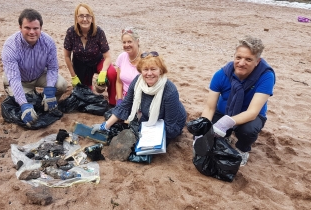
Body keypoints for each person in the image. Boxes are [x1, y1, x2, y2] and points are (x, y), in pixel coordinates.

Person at [200, 35, 275, 166]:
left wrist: (225, 123)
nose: (241, 63)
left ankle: (242, 149)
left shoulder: (266, 76)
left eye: (248, 59)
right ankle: (226, 135)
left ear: (257, 61)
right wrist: (202, 130)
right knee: (208, 130)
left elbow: (252, 112)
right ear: (234, 56)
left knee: (248, 130)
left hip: (251, 117)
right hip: (224, 111)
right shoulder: (221, 74)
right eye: (238, 57)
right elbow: (210, 107)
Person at [92, 51, 187, 145]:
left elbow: (170, 125)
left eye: (153, 69)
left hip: (171, 122)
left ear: (161, 70)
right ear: (141, 71)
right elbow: (125, 106)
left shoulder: (170, 91)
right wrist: (105, 125)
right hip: (148, 115)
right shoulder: (137, 81)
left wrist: (150, 135)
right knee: (133, 137)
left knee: (146, 145)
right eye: (145, 69)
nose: (149, 73)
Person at [2, 9, 68, 127]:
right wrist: (23, 104)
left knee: (61, 85)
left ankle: (46, 100)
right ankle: (32, 100)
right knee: (27, 106)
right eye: (27, 28)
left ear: (40, 28)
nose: (32, 32)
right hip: (20, 80)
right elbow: (14, 79)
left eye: (35, 28)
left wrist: (49, 90)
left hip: (39, 75)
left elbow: (53, 68)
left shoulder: (48, 42)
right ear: (20, 27)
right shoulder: (10, 46)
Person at [63, 3, 117, 106]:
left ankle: (112, 102)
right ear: (76, 18)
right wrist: (73, 76)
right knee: (85, 93)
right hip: (80, 65)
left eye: (88, 16)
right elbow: (66, 56)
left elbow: (108, 57)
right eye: (81, 16)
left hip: (97, 61)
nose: (84, 19)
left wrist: (103, 72)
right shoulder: (71, 32)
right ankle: (89, 86)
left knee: (112, 73)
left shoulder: (99, 32)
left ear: (92, 18)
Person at [115, 27, 141, 106]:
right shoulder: (122, 57)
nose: (126, 45)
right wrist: (119, 99)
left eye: (130, 42)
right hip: (125, 97)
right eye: (124, 42)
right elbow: (119, 82)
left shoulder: (145, 59)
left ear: (137, 41)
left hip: (140, 99)